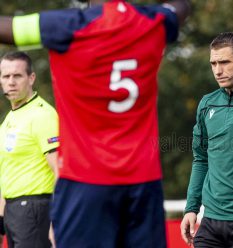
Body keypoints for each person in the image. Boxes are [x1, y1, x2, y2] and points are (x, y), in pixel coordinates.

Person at [0, 1, 190, 247]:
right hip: (143, 181)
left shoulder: (65, 26)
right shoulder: (152, 21)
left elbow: (8, 29)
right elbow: (181, 8)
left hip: (85, 182)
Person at [180, 32, 233, 247]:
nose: (217, 70)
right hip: (211, 219)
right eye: (213, 63)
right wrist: (191, 208)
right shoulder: (207, 103)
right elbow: (200, 159)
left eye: (224, 62)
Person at [0, 51, 59, 248]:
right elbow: (6, 171)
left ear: (31, 78)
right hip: (13, 210)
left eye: (17, 76)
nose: (11, 82)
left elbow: (61, 170)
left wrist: (56, 220)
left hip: (36, 209)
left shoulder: (43, 115)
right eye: (6, 76)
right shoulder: (10, 118)